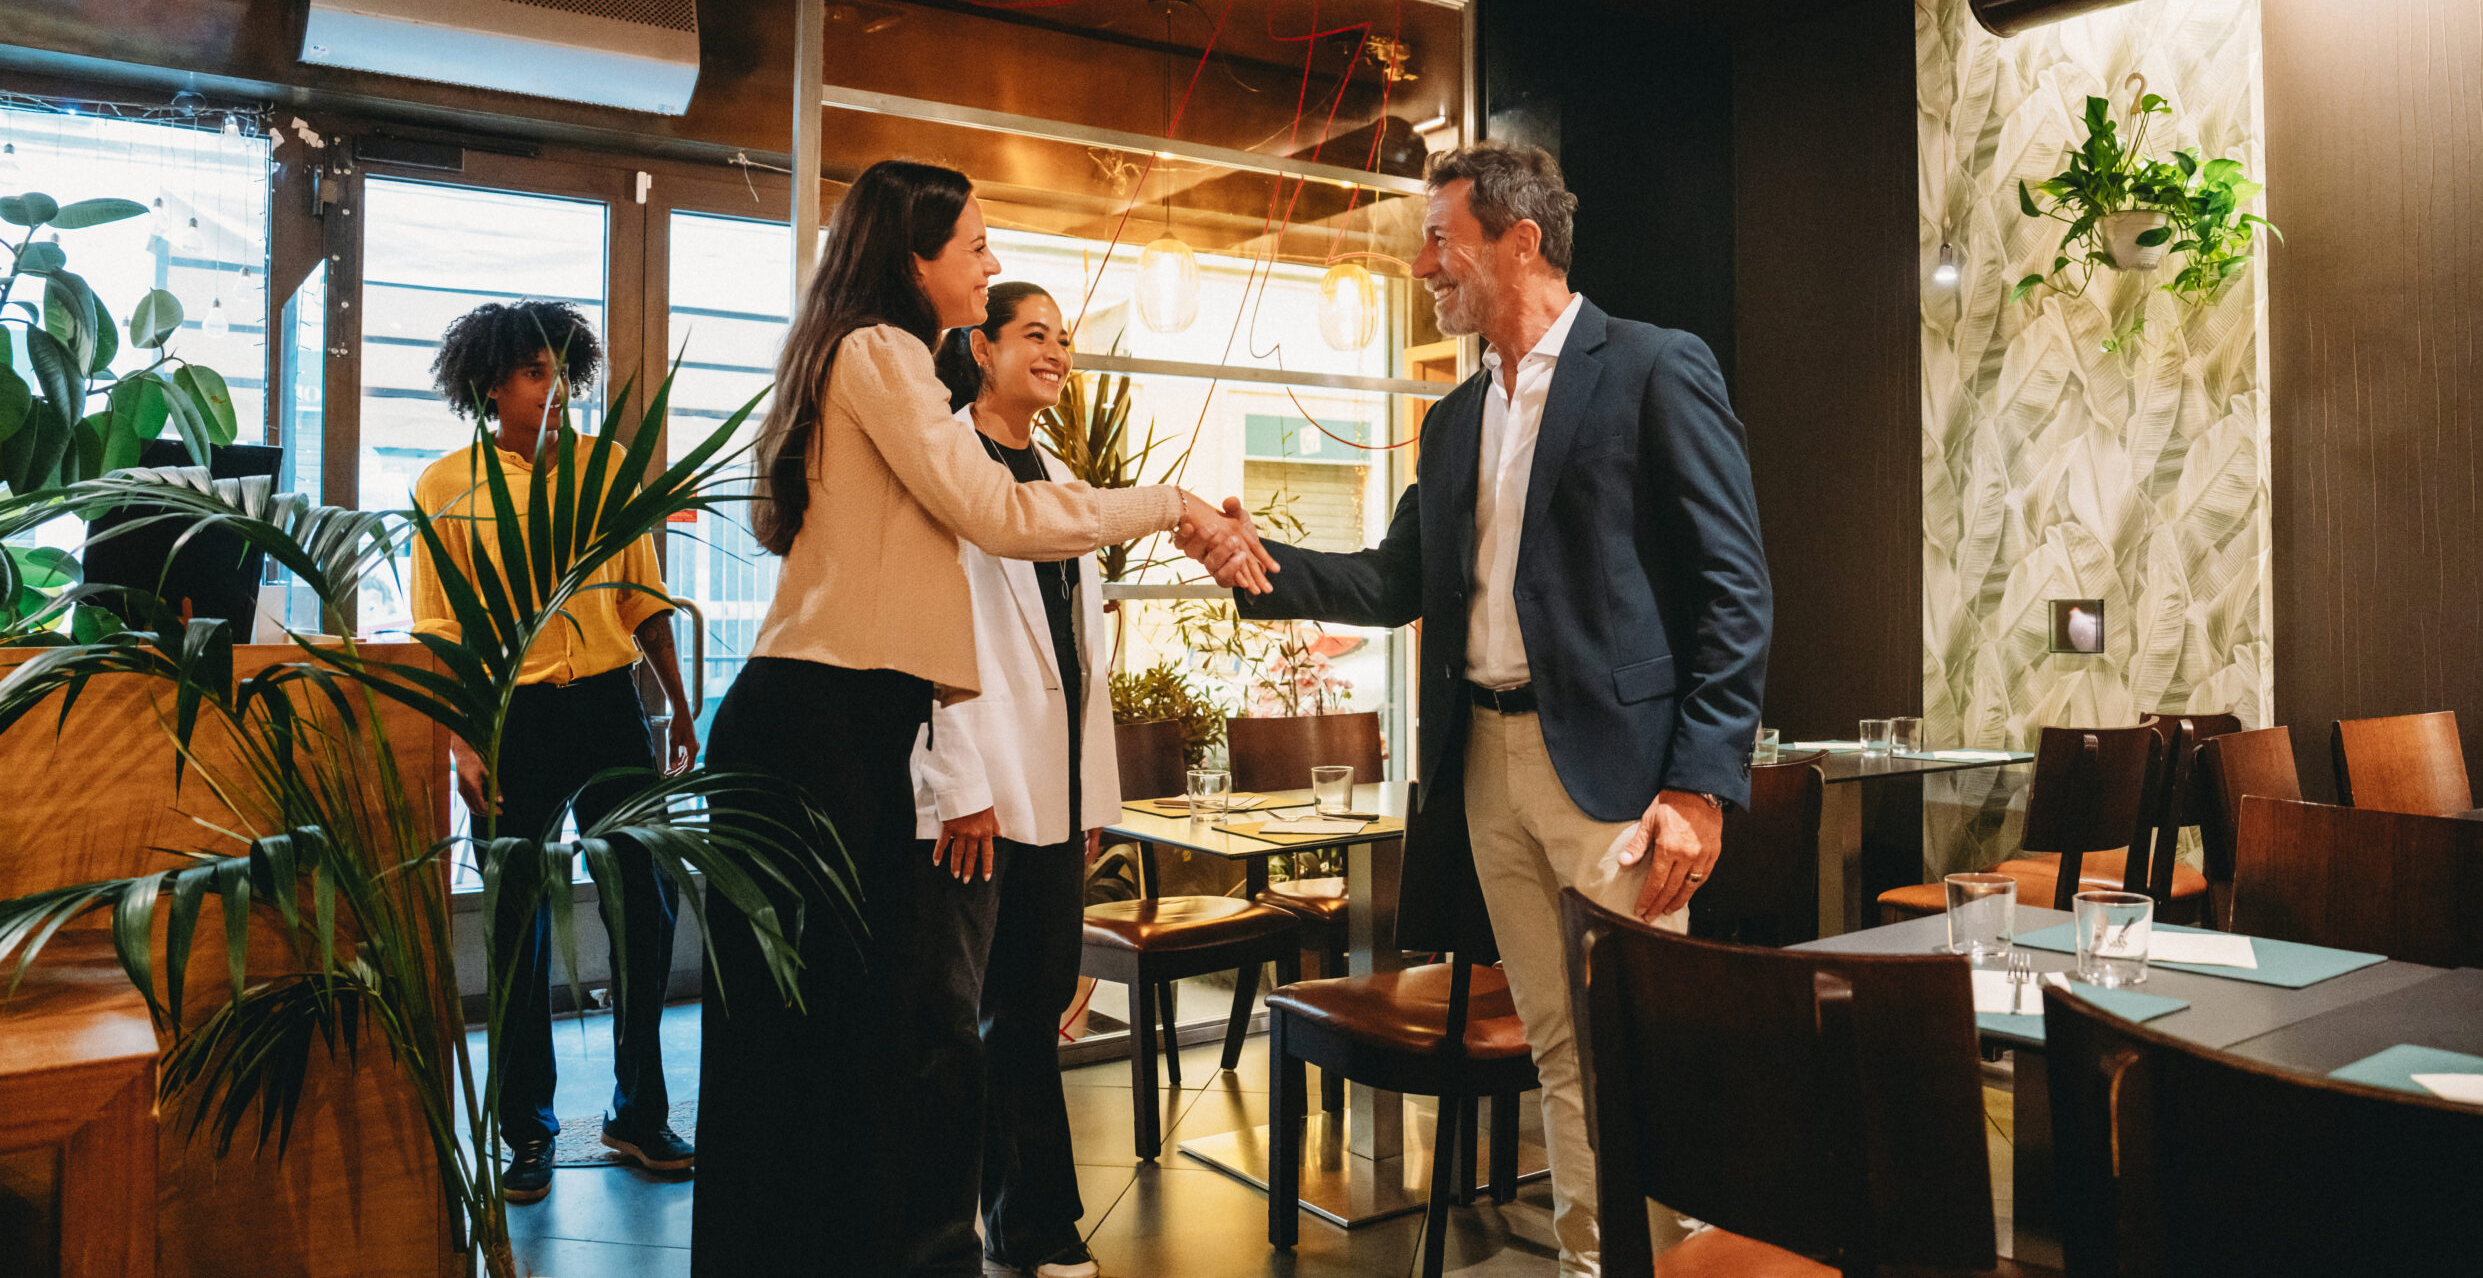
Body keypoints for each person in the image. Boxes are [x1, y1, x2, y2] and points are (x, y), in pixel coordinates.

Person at [1185, 143, 1773, 1277]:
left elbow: (1734, 588)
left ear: (1520, 240)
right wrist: (1257, 560)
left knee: (1631, 1053)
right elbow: (1392, 581)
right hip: (1486, 771)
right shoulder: (1453, 420)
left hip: (1619, 781)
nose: (1423, 265)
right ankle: (1593, 1266)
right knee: (1560, 1050)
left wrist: (1700, 784)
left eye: (1440, 239)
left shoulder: (1655, 367)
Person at [690, 160, 1272, 1278]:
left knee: (852, 1040)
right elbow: (996, 512)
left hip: (848, 718)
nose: (991, 262)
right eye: (975, 246)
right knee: (847, 1037)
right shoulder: (879, 352)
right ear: (914, 257)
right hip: (818, 722)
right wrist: (1172, 504)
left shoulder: (870, 358)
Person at [409, 299, 699, 1207]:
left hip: (610, 706)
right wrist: (459, 738)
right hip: (509, 716)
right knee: (518, 923)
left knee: (645, 908)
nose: (558, 389)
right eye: (535, 372)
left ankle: (637, 1111)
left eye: (564, 371)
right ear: (491, 384)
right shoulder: (444, 484)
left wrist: (679, 706)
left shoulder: (607, 467)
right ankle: (526, 1129)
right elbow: (439, 630)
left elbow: (642, 595)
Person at [910, 282, 1115, 1278]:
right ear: (979, 349)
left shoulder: (1062, 476)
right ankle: (1028, 1223)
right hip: (980, 788)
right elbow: (923, 638)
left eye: (1063, 339)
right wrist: (957, 780)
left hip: (1053, 786)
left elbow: (1085, 664)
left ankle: (1017, 1214)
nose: (1055, 351)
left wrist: (1092, 804)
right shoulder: (945, 461)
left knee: (1029, 1005)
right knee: (985, 1015)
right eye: (1033, 334)